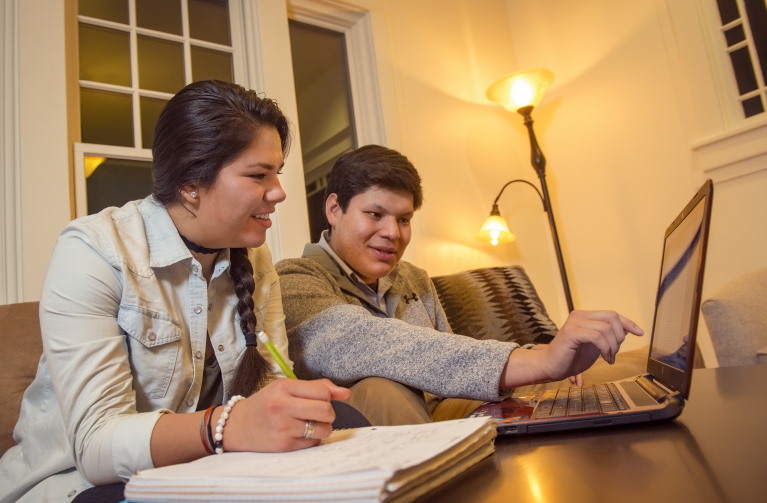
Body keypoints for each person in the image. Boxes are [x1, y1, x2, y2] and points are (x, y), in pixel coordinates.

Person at [0, 80, 366, 503]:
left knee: (344, 420)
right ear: (191, 182)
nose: (279, 192)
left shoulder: (255, 260)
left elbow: (266, 391)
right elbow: (97, 449)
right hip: (78, 483)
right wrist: (229, 424)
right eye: (258, 175)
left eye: (277, 174)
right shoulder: (93, 250)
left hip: (206, 469)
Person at [276, 144, 645, 426]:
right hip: (369, 434)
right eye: (375, 214)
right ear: (334, 209)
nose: (392, 232)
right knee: (382, 387)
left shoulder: (412, 278)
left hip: (446, 412)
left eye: (404, 219)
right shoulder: (294, 279)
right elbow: (372, 344)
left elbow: (450, 355)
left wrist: (539, 352)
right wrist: (535, 361)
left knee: (600, 376)